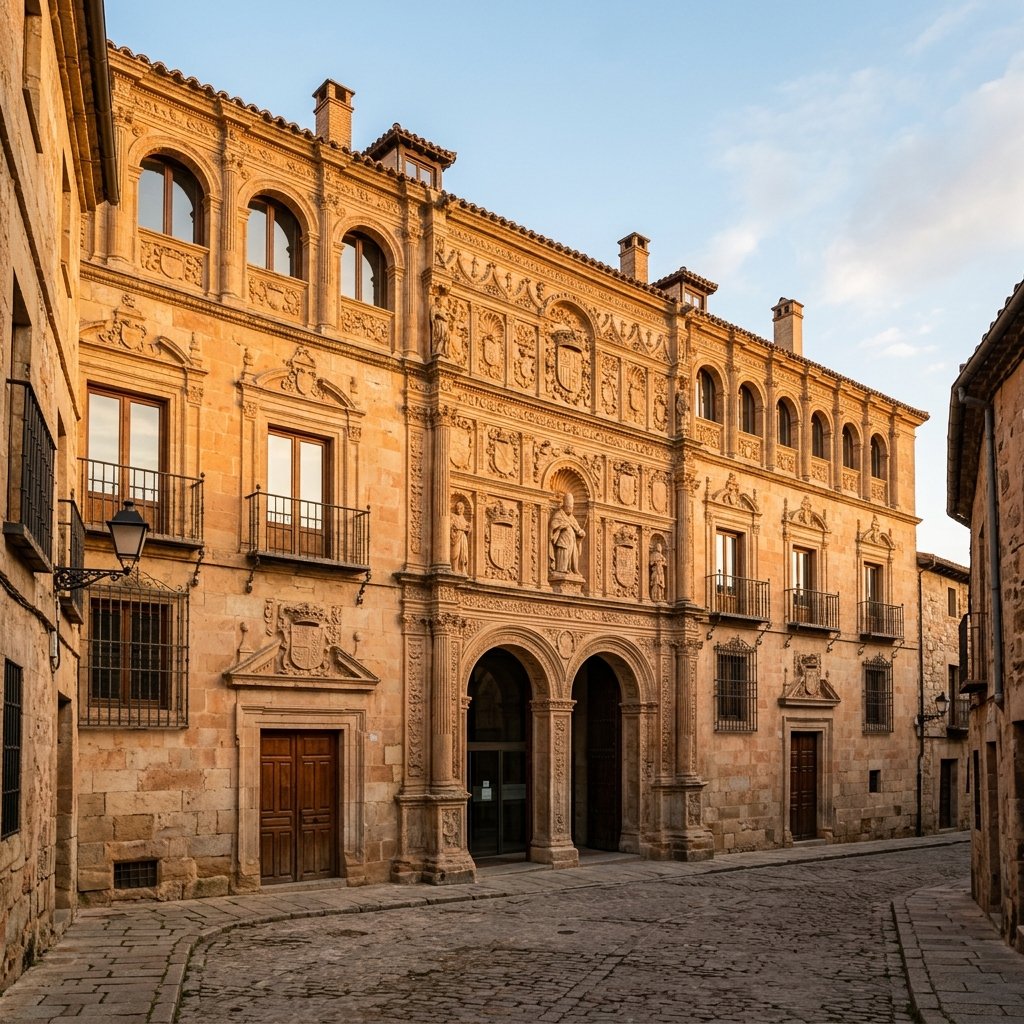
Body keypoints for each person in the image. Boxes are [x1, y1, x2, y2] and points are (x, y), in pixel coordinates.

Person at [549, 493, 585, 575]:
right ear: (564, 505)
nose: (570, 509)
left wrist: (581, 532)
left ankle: (571, 569)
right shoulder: (559, 514)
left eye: (571, 507)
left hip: (571, 542)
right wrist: (563, 526)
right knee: (563, 553)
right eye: (569, 507)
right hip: (563, 541)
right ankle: (561, 569)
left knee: (572, 555)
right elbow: (553, 525)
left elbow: (577, 528)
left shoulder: (572, 517)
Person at [451, 501, 470, 574]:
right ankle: (454, 568)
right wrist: (461, 528)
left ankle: (462, 569)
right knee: (455, 553)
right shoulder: (453, 516)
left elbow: (466, 528)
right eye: (458, 508)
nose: (460, 510)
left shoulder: (463, 519)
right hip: (456, 537)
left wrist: (467, 528)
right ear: (456, 509)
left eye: (462, 508)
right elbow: (451, 526)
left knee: (463, 554)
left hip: (463, 538)